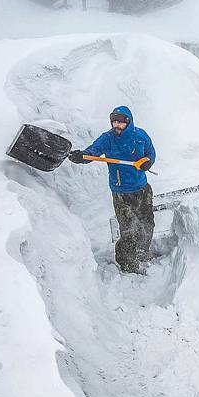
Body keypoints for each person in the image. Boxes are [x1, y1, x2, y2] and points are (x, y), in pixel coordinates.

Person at [68, 106, 156, 275]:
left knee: (147, 223)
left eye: (121, 122)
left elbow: (151, 152)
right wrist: (82, 156)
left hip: (142, 188)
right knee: (128, 229)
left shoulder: (140, 136)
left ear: (128, 122)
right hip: (121, 192)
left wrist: (148, 162)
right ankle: (128, 266)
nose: (117, 125)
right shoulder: (107, 139)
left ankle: (142, 251)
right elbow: (92, 152)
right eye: (114, 121)